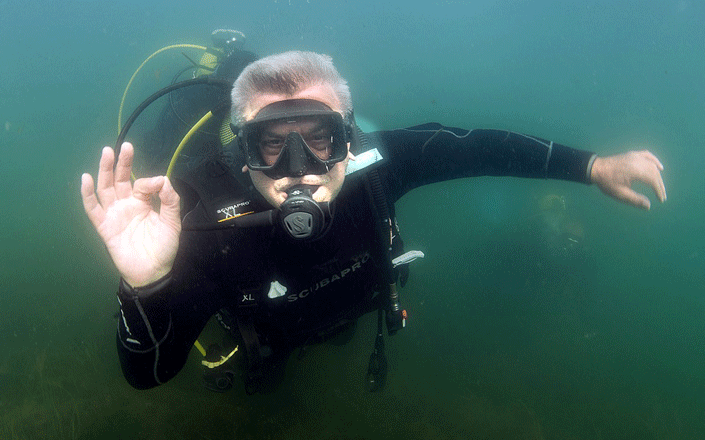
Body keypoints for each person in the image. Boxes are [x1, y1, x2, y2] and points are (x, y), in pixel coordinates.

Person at [80, 51, 666, 393]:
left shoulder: (378, 165)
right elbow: (149, 374)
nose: (298, 171)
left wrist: (590, 166)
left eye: (320, 140)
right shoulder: (204, 218)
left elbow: (478, 147)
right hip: (266, 340)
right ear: (241, 152)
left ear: (350, 137)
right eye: (271, 146)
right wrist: (148, 287)